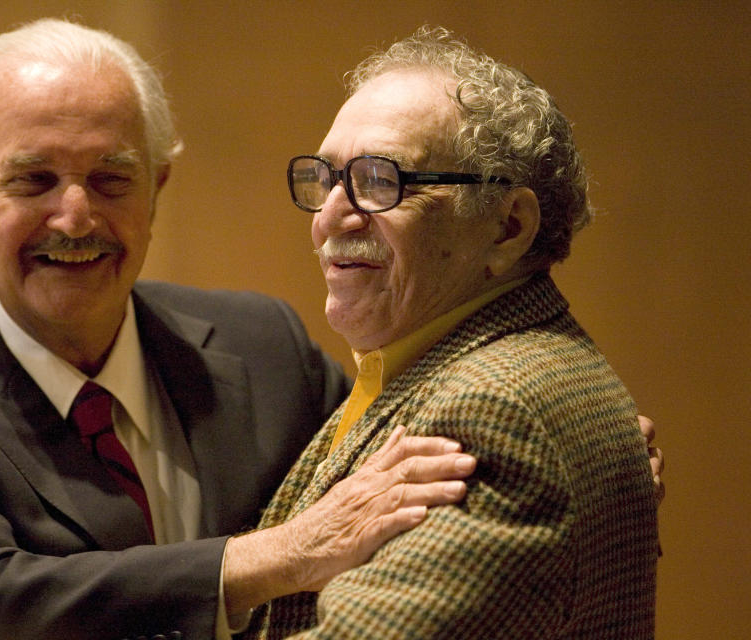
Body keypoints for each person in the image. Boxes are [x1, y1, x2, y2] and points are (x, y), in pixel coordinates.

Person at [0, 18, 663, 640]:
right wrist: (270, 557)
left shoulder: (264, 347)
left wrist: (590, 456)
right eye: (33, 179)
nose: (73, 216)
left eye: (111, 180)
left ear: (158, 186)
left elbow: (423, 447)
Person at [243, 26, 661, 639]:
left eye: (380, 180)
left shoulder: (497, 414)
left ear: (506, 227)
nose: (329, 217)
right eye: (326, 178)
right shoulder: (430, 367)